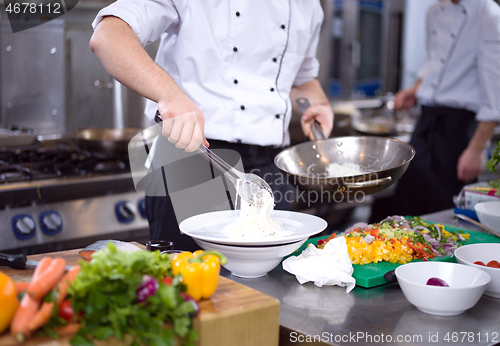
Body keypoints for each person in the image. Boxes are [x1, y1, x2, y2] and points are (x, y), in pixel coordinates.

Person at [89, 1, 334, 250]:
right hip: (191, 158)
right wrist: (169, 94)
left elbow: (303, 78)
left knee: (269, 284)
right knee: (186, 279)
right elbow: (109, 35)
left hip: (269, 169)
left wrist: (317, 103)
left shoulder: (309, 5)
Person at [370, 0, 500, 222]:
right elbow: (433, 63)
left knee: (443, 212)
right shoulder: (434, 11)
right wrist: (415, 90)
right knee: (409, 201)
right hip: (426, 120)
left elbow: (495, 91)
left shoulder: (488, 14)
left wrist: (477, 149)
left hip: (458, 131)